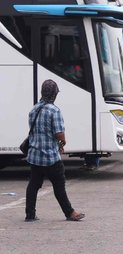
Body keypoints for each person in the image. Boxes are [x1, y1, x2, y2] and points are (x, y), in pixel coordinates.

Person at [25, 80, 85, 222]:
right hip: (50, 156)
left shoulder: (33, 109)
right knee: (59, 184)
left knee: (33, 184)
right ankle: (69, 212)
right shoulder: (54, 110)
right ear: (54, 94)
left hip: (34, 155)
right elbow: (59, 133)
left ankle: (30, 214)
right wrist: (62, 142)